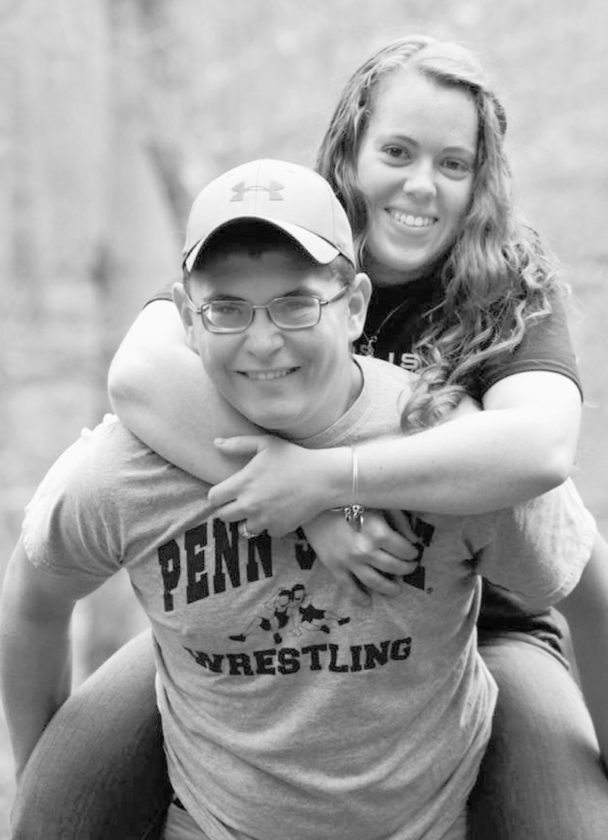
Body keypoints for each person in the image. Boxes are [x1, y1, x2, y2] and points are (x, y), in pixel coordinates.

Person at [5, 36, 608, 838]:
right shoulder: (281, 248)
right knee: (57, 804)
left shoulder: (505, 289)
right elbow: (142, 370)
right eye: (396, 151)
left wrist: (330, 481)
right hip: (253, 612)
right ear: (349, 153)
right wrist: (307, 505)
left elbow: (541, 452)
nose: (421, 184)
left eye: (453, 163)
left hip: (480, 612)